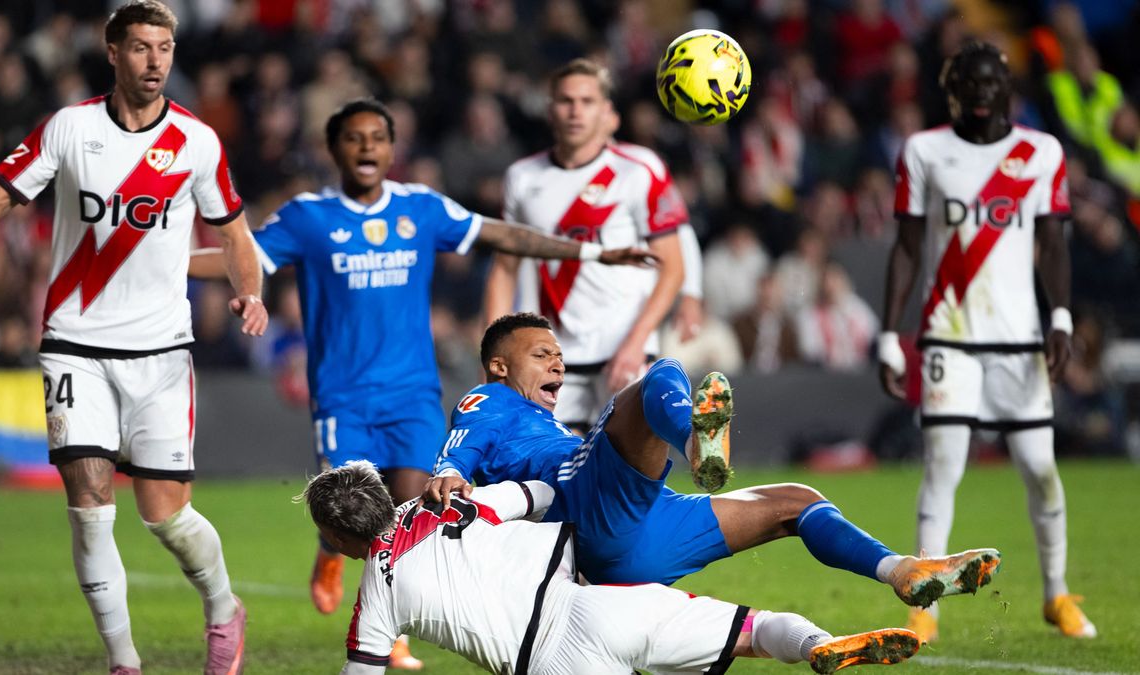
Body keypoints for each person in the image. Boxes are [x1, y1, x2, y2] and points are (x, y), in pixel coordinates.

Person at [189, 97, 652, 667]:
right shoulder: (309, 217)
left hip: (412, 393)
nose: (367, 146)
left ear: (392, 148)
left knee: (410, 510)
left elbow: (502, 235)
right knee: (348, 509)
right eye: (354, 137)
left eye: (378, 137)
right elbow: (240, 256)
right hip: (343, 397)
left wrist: (593, 252)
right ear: (334, 149)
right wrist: (159, 260)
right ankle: (328, 550)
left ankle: (392, 632)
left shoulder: (420, 209)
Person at [0, 3, 264, 673]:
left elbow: (235, 234)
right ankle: (124, 663)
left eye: (165, 48)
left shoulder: (197, 142)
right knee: (90, 506)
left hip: (160, 353)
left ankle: (223, 609)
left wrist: (252, 292)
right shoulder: (70, 128)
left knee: (165, 516)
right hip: (75, 344)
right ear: (113, 51)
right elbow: (2, 189)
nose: (155, 61)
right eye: (142, 47)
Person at [427, 313, 1001, 616]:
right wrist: (450, 471)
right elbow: (462, 444)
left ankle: (901, 571)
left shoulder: (538, 419)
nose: (557, 363)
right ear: (499, 367)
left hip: (636, 541)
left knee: (796, 502)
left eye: (558, 354)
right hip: (586, 505)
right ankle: (697, 443)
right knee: (659, 374)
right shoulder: (488, 398)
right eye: (541, 354)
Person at [300, 460, 923, 675]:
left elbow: (363, 670)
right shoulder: (451, 504)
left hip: (550, 663)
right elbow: (541, 493)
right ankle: (816, 643)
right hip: (598, 602)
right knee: (752, 629)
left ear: (336, 536)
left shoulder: (376, 593)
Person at [879, 41, 1095, 641]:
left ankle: (1056, 594)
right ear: (950, 91)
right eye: (966, 83)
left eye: (989, 82)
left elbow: (1052, 243)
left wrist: (1060, 319)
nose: (979, 92)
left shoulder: (1040, 152)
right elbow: (906, 248)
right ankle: (925, 607)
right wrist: (890, 334)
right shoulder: (924, 151)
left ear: (1007, 89)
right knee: (943, 468)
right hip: (949, 337)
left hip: (1019, 341)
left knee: (1040, 468)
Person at [484, 58, 687, 434]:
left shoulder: (637, 171)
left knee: (628, 464)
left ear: (606, 111)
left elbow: (673, 267)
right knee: (552, 466)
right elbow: (504, 270)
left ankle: (693, 435)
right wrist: (495, 353)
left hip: (625, 348)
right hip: (550, 354)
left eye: (587, 101)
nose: (575, 111)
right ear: (550, 110)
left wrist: (637, 342)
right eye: (566, 101)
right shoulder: (522, 178)